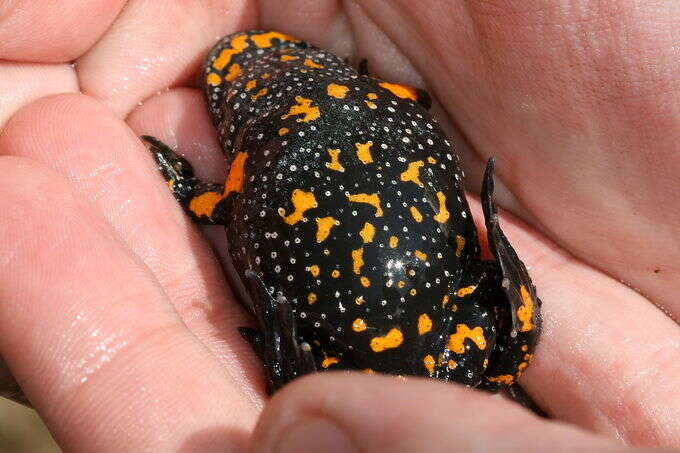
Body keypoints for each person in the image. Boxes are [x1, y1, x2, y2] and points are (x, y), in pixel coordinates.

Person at [0, 1, 677, 451]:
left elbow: (236, 207)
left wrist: (194, 191)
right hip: (340, 144)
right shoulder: (475, 344)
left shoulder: (277, 151)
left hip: (329, 143)